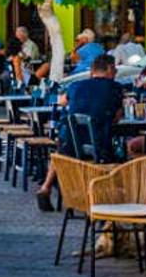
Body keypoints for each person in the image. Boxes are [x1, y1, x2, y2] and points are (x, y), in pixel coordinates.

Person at [36, 53, 125, 210]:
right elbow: (116, 118)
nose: (116, 73)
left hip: (72, 144)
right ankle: (114, 197)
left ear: (92, 71)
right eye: (115, 70)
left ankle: (45, 187)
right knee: (122, 153)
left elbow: (62, 102)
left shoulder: (75, 85)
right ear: (110, 69)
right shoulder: (115, 88)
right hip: (99, 146)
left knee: (61, 150)